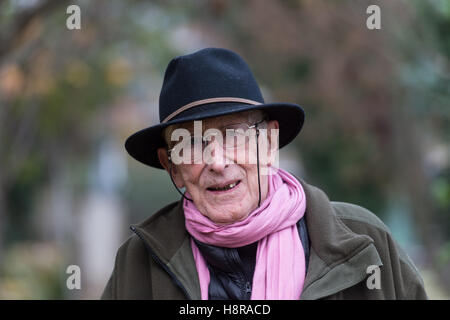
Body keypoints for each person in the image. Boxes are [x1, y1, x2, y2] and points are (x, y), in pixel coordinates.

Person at [101, 47, 427, 300]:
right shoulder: (138, 262)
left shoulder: (365, 241)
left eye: (234, 135)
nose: (217, 161)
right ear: (173, 167)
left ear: (269, 143)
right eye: (195, 143)